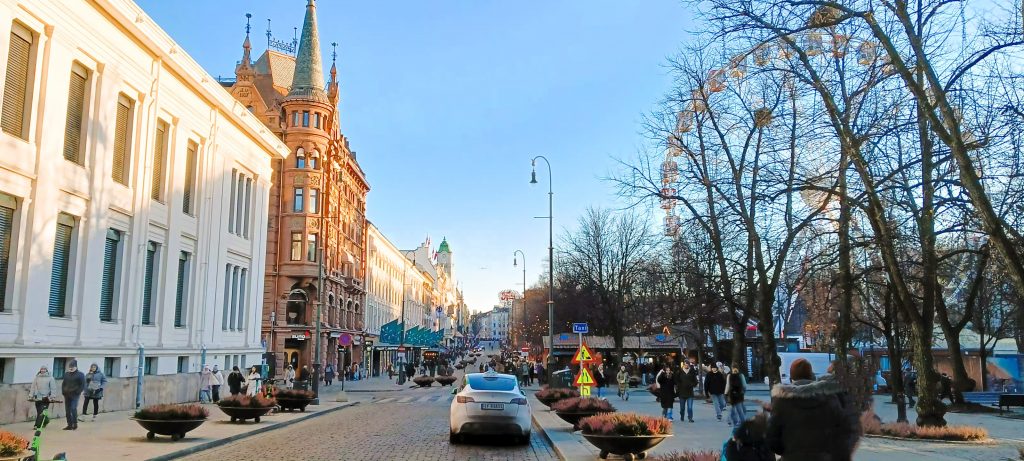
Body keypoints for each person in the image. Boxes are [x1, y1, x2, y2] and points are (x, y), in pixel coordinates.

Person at [766, 358, 861, 461]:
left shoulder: (782, 402)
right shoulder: (829, 398)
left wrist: (788, 452)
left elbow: (772, 437)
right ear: (811, 375)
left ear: (791, 377)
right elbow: (844, 431)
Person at [61, 360, 86, 430]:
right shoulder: (66, 374)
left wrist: (78, 392)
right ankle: (69, 424)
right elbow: (63, 384)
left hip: (75, 395)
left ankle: (75, 423)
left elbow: (83, 385)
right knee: (67, 410)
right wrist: (63, 391)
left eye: (72, 367)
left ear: (76, 367)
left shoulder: (80, 374)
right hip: (67, 394)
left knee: (73, 408)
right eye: (70, 367)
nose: (71, 368)